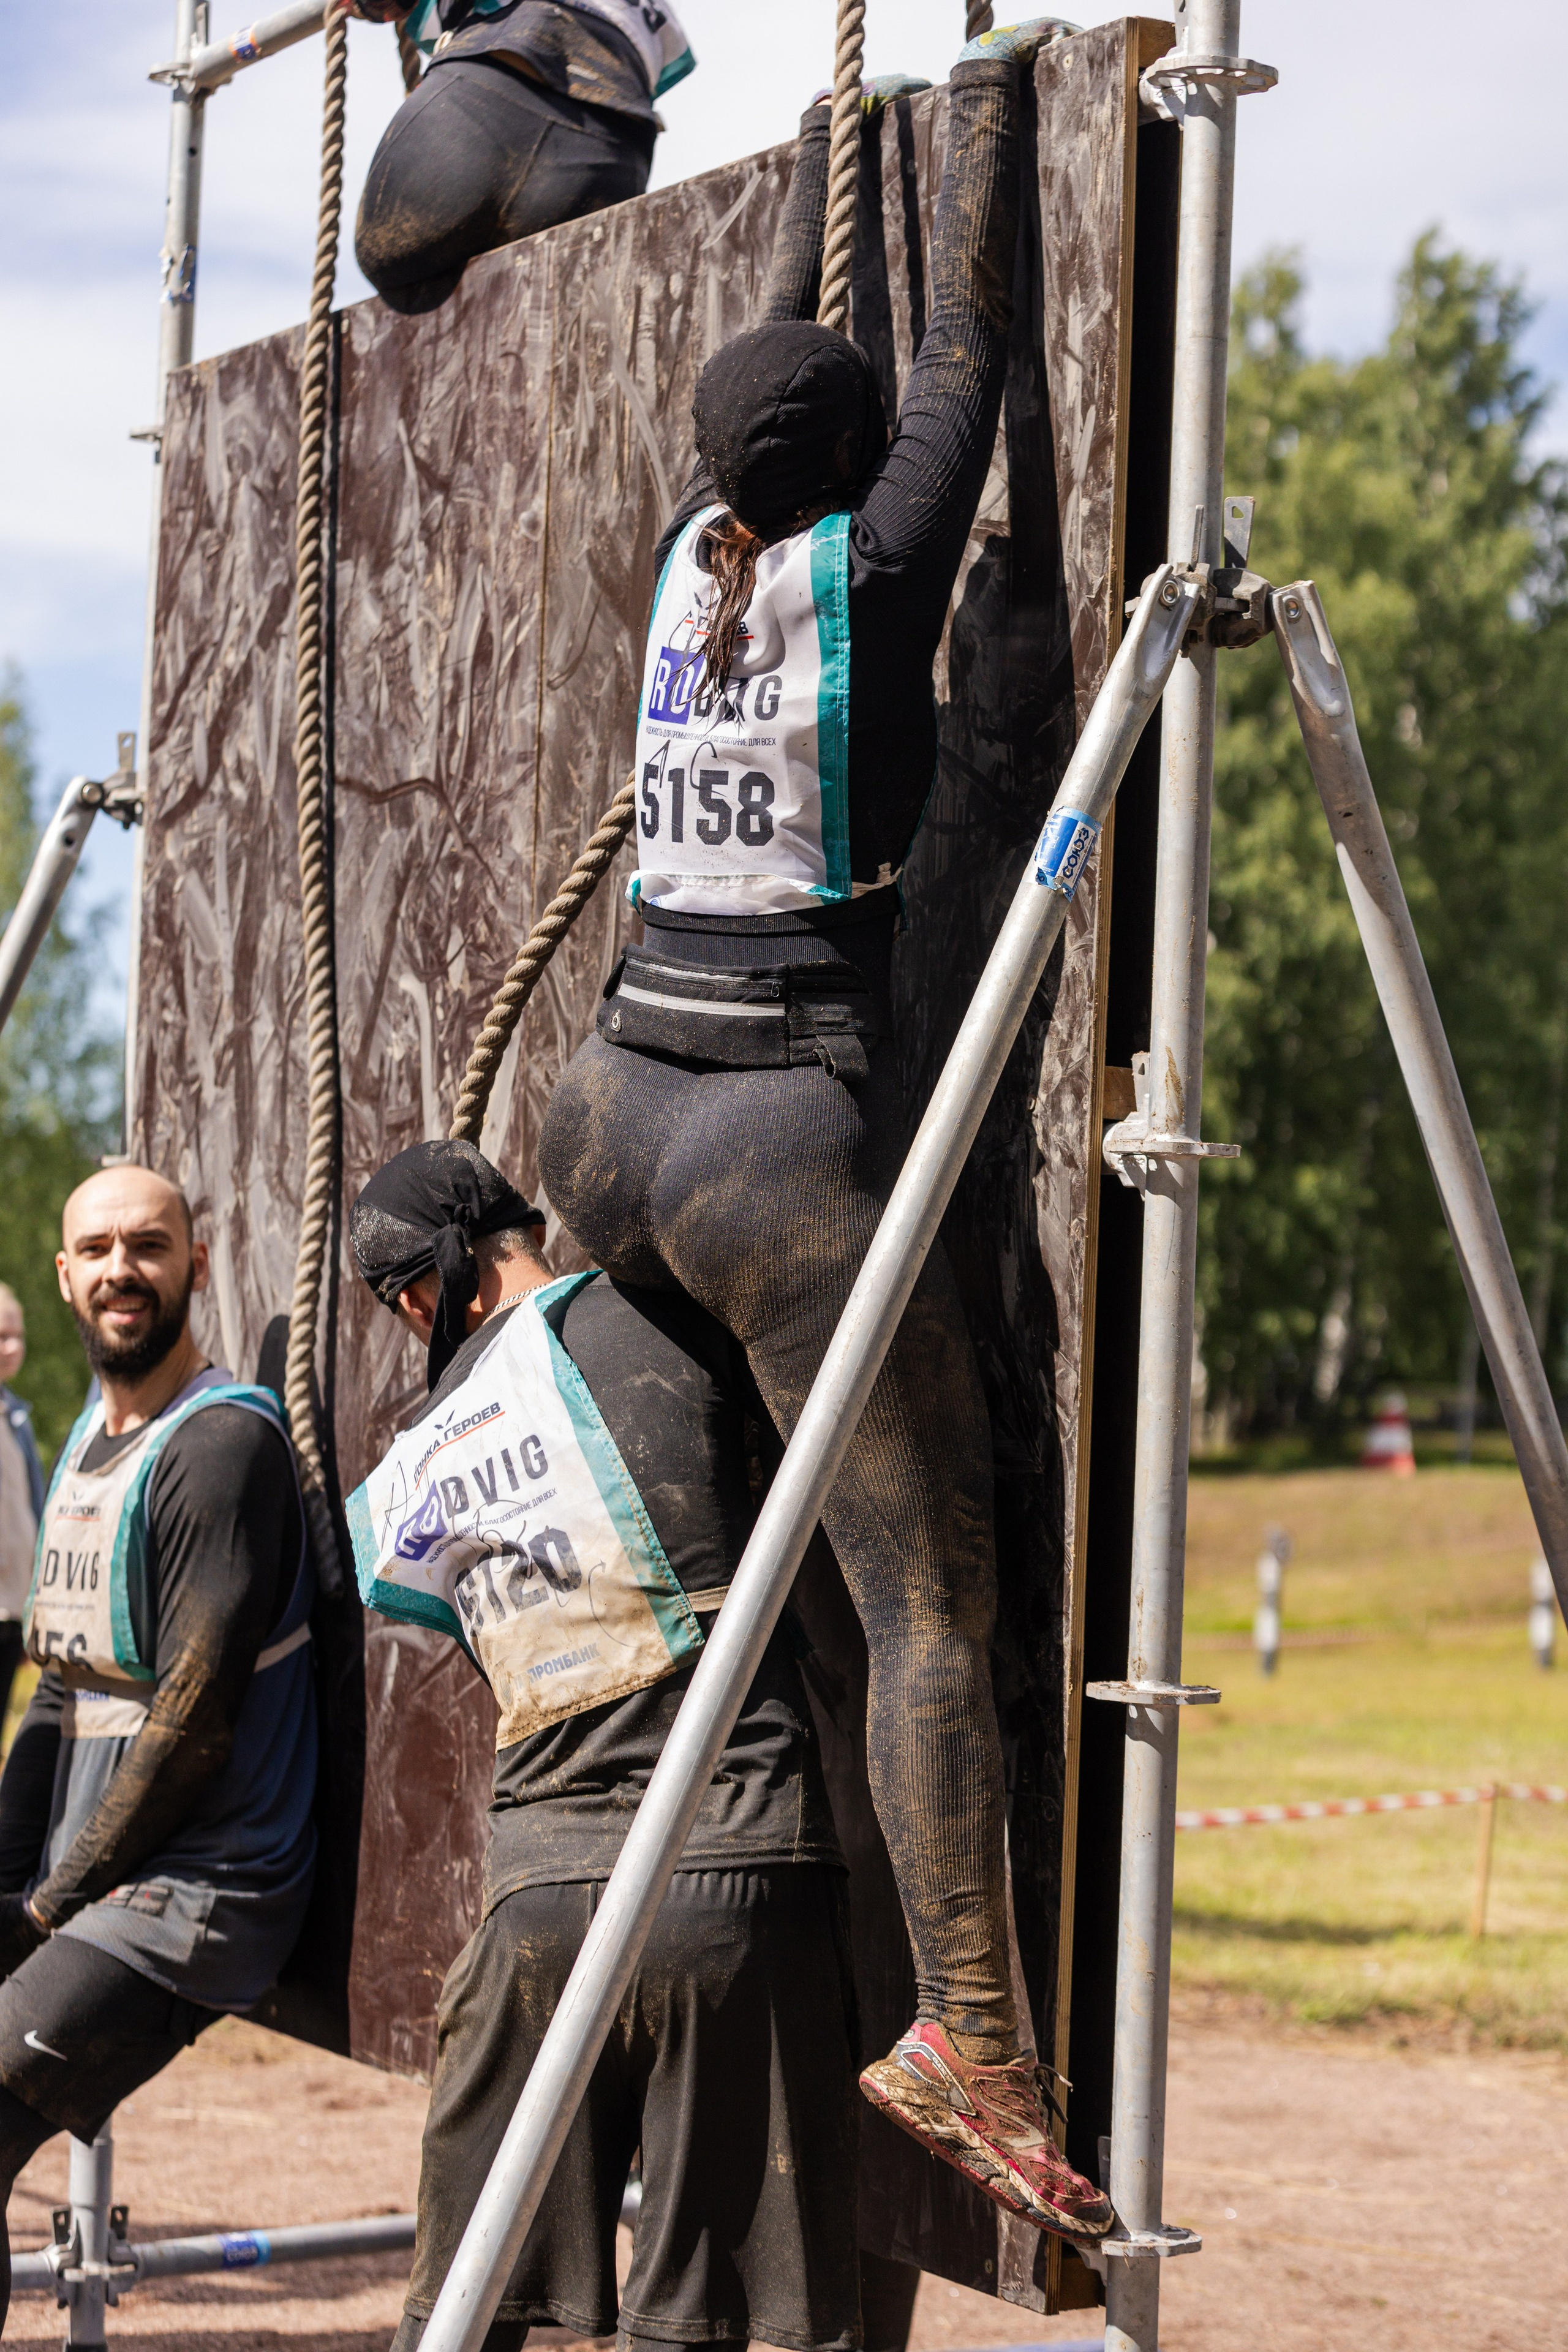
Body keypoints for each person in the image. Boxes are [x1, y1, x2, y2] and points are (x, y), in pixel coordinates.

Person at [537, 21, 1113, 2240]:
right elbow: (966, 334)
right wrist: (978, 91)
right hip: (776, 1141)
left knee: (735, 1554)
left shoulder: (695, 545)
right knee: (924, 1601)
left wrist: (822, 139)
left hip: (606, 1105)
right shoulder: (876, 575)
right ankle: (966, 2026)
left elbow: (808, 340)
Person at [349, 1139, 918, 2352]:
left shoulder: (413, 1463)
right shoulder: (660, 1317)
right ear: (519, 1232)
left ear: (414, 1300)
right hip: (735, 1870)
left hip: (533, 1910)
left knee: (464, 2305)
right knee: (696, 2316)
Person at [0, 1167, 315, 2330]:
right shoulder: (93, 1436)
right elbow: (56, 1690)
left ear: (195, 1257)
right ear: (65, 1273)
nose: (123, 1269)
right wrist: (6, 1885)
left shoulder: (219, 1447)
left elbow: (192, 1724)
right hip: (102, 1879)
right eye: (100, 1249)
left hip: (201, 1886)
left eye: (150, 1244)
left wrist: (49, 1905)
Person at [344, 0, 694, 311]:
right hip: (614, 147)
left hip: (493, 88)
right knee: (548, 320)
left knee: (395, 267)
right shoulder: (659, 13)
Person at [0, 1288, 43, 1729]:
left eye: (17, 1335)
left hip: (14, 1605)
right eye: (0, 1336)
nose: (11, 1347)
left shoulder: (16, 1417)